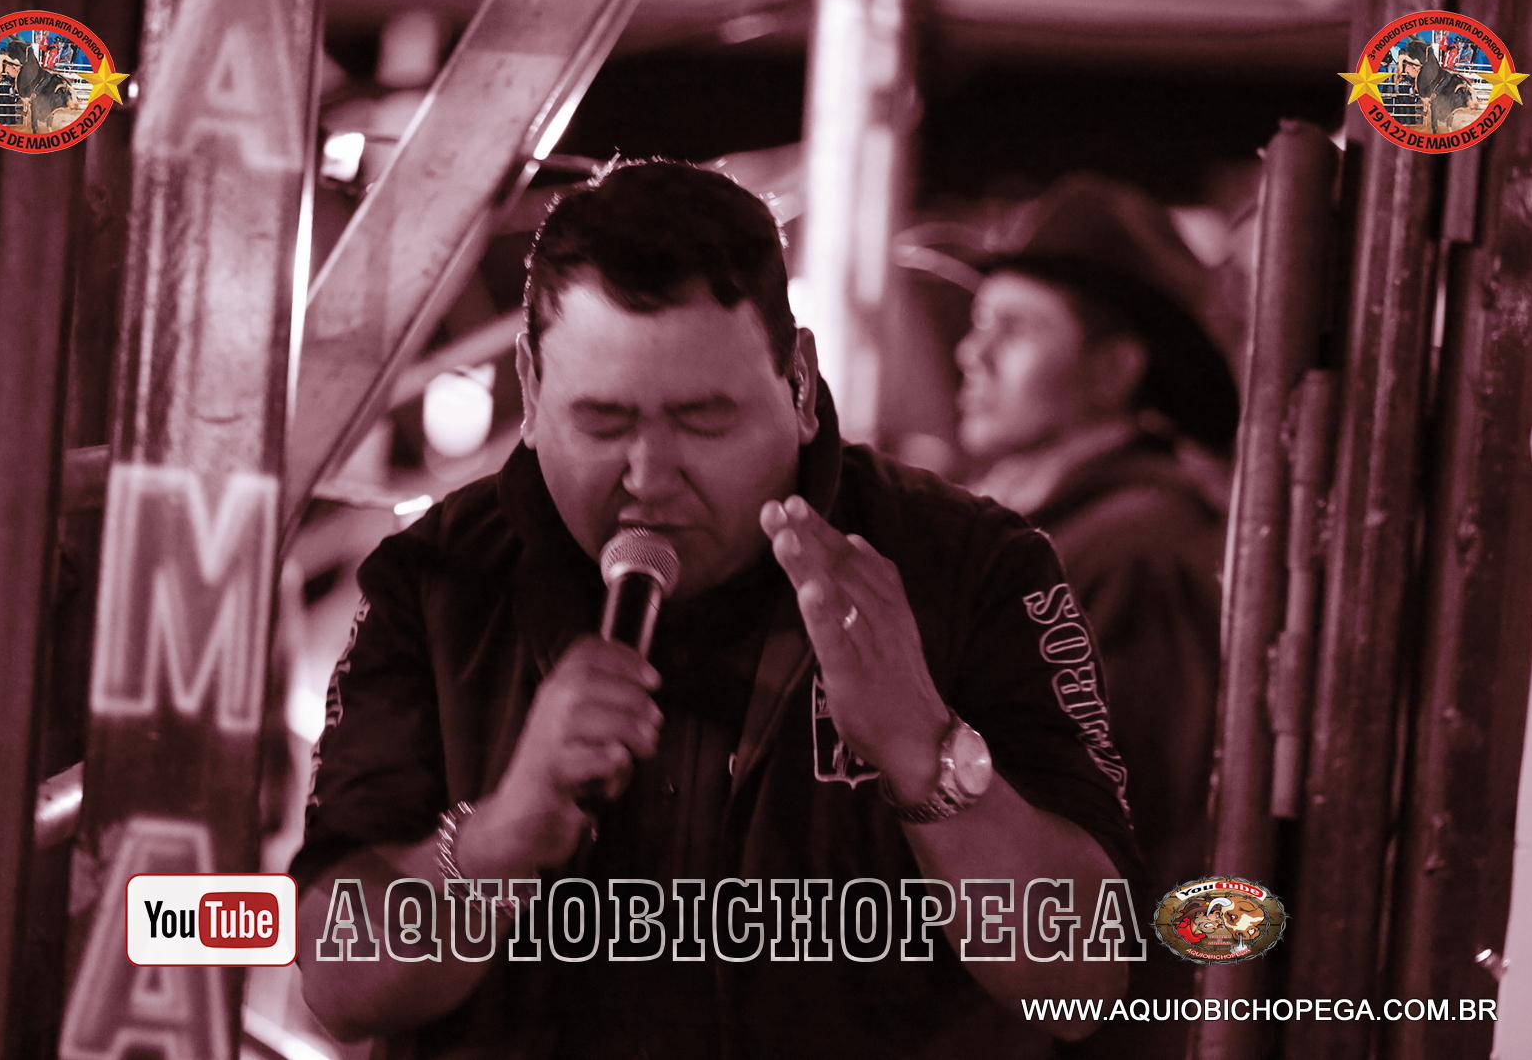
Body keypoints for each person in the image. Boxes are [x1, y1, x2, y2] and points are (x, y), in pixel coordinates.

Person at [292, 160, 1139, 1060]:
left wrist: (924, 750)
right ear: (531, 391)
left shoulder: (972, 566)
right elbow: (335, 986)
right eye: (604, 422)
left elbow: (1086, 976)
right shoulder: (437, 578)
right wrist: (492, 842)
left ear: (800, 385)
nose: (649, 476)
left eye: (704, 420)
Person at [953, 174, 1239, 1058]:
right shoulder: (1032, 532)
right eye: (977, 324)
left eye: (1014, 329)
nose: (971, 354)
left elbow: (1126, 831)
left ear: (1116, 368)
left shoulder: (1139, 550)